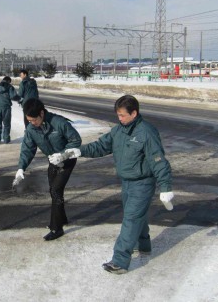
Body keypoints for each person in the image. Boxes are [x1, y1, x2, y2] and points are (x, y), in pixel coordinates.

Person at [60, 95, 174, 274]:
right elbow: (100, 146)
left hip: (143, 183)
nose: (119, 119)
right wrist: (78, 151)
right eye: (118, 115)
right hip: (127, 182)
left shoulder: (146, 132)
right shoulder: (118, 131)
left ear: (134, 113)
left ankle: (120, 261)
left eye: (122, 115)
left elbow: (158, 161)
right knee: (137, 215)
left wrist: (165, 187)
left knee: (131, 219)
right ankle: (143, 245)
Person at [12, 98, 81, 241]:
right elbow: (27, 149)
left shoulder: (58, 123)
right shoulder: (32, 129)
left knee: (56, 190)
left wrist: (63, 155)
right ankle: (61, 218)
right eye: (29, 121)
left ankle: (56, 228)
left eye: (33, 120)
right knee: (53, 190)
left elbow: (75, 140)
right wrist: (21, 168)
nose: (32, 123)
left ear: (42, 113)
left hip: (67, 159)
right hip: (52, 160)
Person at [0, 76, 20, 144]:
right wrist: (19, 99)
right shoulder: (9, 86)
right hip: (6, 107)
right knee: (7, 124)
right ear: (8, 81)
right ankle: (6, 139)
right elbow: (13, 96)